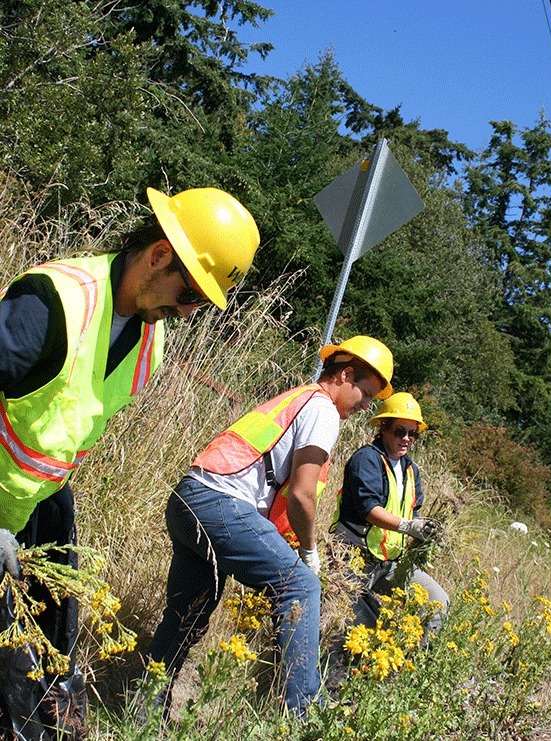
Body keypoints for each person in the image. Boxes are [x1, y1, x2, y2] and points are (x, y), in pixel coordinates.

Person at [0, 186, 260, 740]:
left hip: (40, 505)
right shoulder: (57, 301)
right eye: (190, 294)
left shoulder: (149, 342)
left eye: (200, 304)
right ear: (160, 254)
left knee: (50, 662)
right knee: (13, 674)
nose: (187, 312)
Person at [146, 336, 394, 718]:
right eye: (367, 394)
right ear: (346, 375)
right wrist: (309, 553)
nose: (366, 406)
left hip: (188, 498)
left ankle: (144, 710)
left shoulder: (298, 398)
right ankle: (302, 716)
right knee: (301, 585)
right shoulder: (322, 409)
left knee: (188, 613)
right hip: (219, 504)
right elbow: (302, 495)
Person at [331, 392, 449, 638]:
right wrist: (408, 527)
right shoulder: (366, 459)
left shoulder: (410, 469)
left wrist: (426, 528)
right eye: (400, 431)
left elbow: (412, 512)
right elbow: (368, 509)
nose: (406, 439)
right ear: (383, 428)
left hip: (389, 562)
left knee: (438, 601)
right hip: (352, 556)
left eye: (413, 433)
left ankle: (417, 658)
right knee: (350, 624)